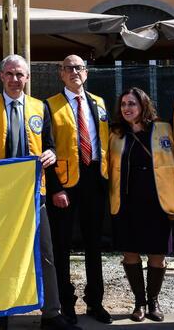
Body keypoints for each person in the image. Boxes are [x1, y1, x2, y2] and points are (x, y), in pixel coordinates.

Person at [0, 55, 76, 330]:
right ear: (1, 76)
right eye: (10, 74)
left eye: (20, 74)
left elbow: (51, 146)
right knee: (0, 255)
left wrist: (52, 155)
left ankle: (51, 313)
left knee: (45, 255)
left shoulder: (39, 108)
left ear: (27, 78)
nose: (15, 79)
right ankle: (0, 313)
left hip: (34, 194)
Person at [106, 87, 174, 323]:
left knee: (157, 256)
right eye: (123, 105)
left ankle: (154, 302)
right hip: (127, 203)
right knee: (130, 254)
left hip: (157, 202)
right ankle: (139, 302)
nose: (127, 108)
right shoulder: (116, 134)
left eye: (132, 104)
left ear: (143, 106)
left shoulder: (163, 129)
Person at [44, 55, 112, 325]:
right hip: (65, 183)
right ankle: (65, 303)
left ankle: (95, 301)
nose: (74, 72)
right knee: (62, 246)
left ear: (87, 73)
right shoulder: (49, 105)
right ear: (61, 73)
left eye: (79, 67)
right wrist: (56, 188)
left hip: (95, 179)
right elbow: (46, 149)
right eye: (69, 68)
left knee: (94, 244)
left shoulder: (99, 103)